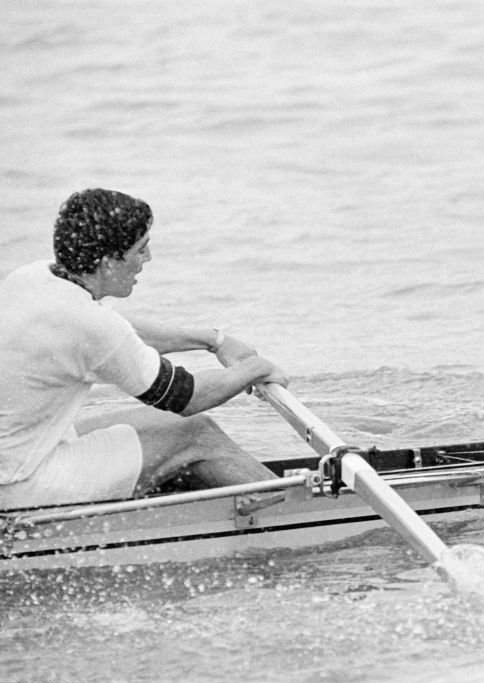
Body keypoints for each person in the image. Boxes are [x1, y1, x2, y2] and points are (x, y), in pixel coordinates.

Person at [0, 188, 289, 509]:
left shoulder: (34, 277)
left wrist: (214, 340)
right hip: (23, 484)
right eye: (141, 249)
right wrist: (257, 368)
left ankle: (249, 496)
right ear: (108, 261)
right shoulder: (90, 326)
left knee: (169, 431)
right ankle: (294, 513)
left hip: (21, 457)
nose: (147, 259)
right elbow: (190, 398)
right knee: (196, 433)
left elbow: (119, 333)